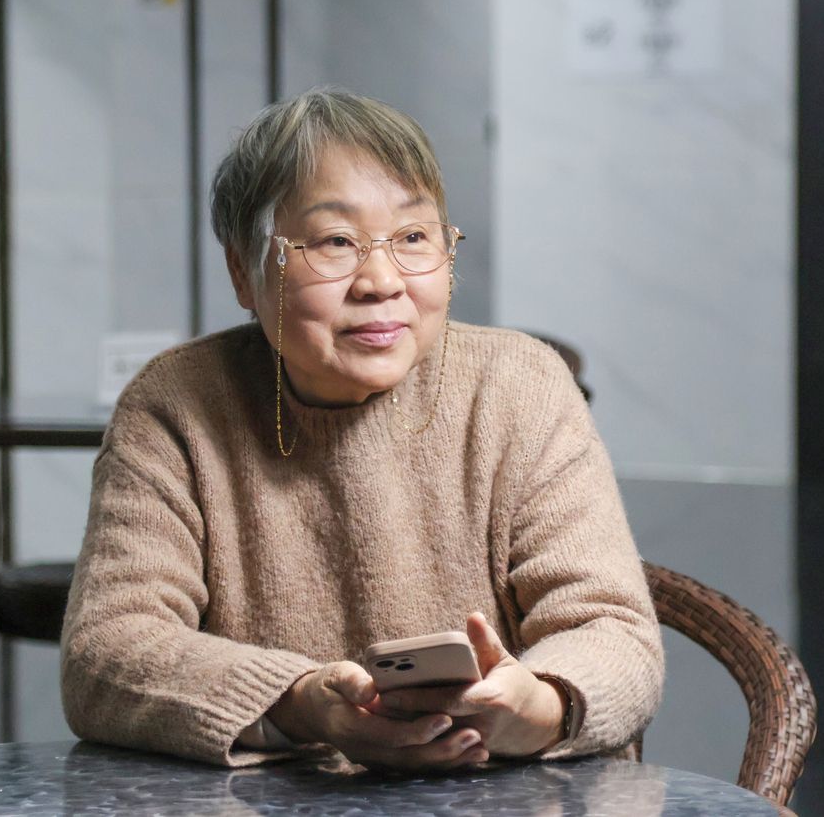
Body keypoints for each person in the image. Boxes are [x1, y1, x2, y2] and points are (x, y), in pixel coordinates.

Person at [60, 87, 663, 771]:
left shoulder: (520, 387)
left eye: (412, 238)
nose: (381, 280)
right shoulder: (177, 406)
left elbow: (613, 630)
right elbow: (106, 653)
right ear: (241, 269)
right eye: (335, 242)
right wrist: (298, 702)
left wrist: (535, 708)